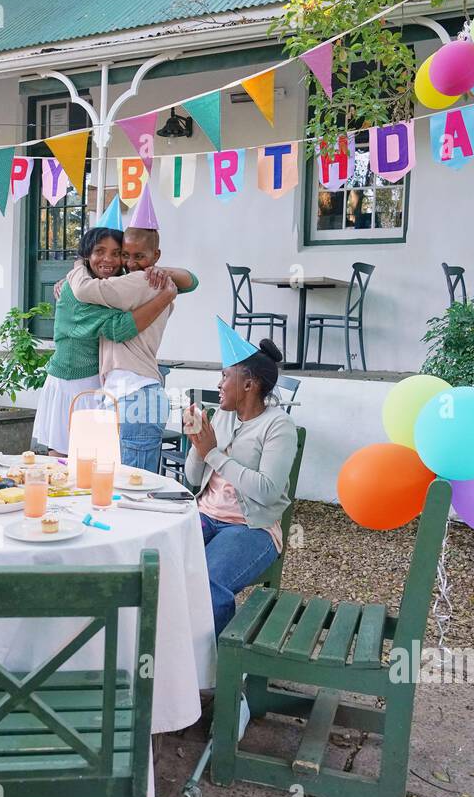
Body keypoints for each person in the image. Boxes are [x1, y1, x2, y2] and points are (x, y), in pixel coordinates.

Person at [184, 337, 297, 635]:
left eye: (225, 376)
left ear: (249, 385)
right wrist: (197, 444)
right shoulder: (221, 415)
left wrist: (213, 454)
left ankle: (215, 671)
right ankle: (168, 655)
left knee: (207, 581)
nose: (219, 384)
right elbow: (194, 479)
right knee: (158, 564)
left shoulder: (278, 426)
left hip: (250, 528)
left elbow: (268, 490)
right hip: (205, 515)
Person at [33, 227, 179, 456]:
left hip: (104, 383)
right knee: (63, 460)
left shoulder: (116, 284)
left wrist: (160, 272)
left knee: (95, 464)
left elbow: (192, 281)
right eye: (99, 251)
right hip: (72, 383)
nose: (108, 259)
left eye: (116, 252)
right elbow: (119, 328)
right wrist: (166, 297)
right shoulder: (76, 292)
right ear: (86, 255)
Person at [66, 224, 198, 472]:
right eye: (125, 255)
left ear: (155, 256)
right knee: (119, 489)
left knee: (132, 493)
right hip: (125, 397)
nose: (131, 263)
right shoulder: (133, 283)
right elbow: (189, 281)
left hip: (135, 396)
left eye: (139, 256)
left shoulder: (142, 281)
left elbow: (84, 289)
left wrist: (77, 266)